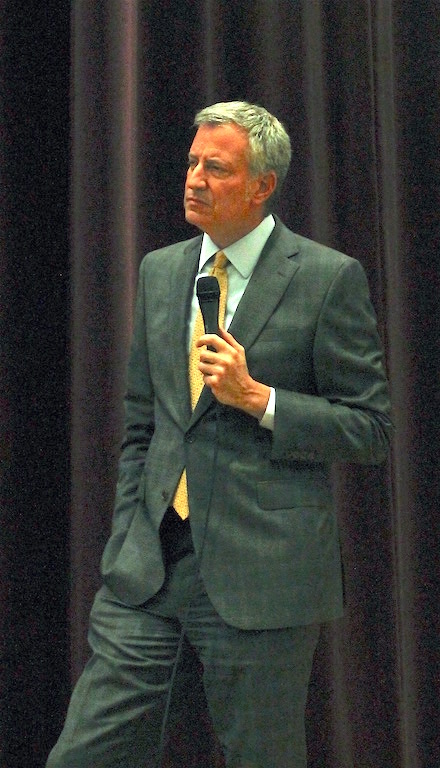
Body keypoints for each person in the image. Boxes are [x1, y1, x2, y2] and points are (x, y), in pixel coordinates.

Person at [46, 101, 392, 768]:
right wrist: (128, 531)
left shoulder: (325, 278)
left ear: (261, 186)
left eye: (217, 168)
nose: (194, 178)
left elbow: (369, 427)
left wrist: (259, 400)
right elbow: (143, 421)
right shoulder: (162, 270)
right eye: (191, 163)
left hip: (261, 575)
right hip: (149, 571)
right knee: (82, 756)